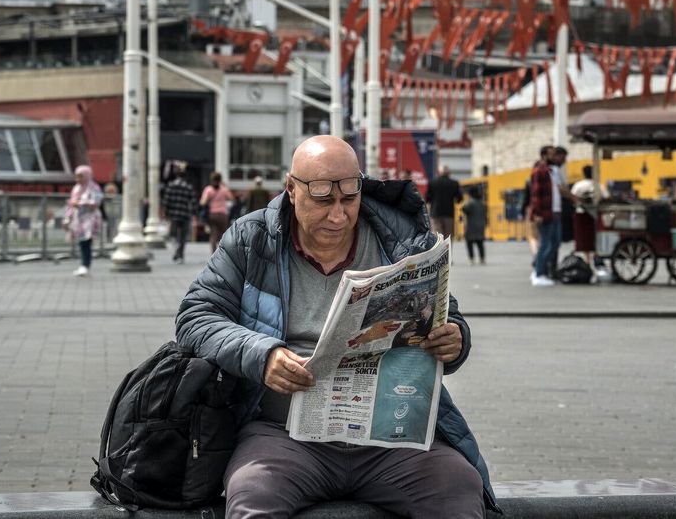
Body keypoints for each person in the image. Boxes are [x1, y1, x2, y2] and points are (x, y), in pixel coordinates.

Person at [175, 135, 495, 518]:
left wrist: (454, 340)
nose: (339, 216)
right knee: (253, 492)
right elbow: (196, 316)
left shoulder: (403, 239)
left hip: (392, 439)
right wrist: (262, 355)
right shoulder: (251, 240)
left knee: (457, 484)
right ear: (291, 190)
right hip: (284, 436)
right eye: (323, 201)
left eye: (349, 199)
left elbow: (446, 316)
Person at [528, 145, 562, 286]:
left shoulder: (551, 171)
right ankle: (539, 273)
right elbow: (536, 195)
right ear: (544, 155)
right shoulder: (539, 171)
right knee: (545, 244)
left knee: (554, 243)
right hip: (545, 213)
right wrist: (537, 213)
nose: (554, 157)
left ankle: (538, 266)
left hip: (554, 211)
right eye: (552, 154)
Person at [570, 165, 608, 281]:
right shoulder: (598, 185)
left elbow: (572, 198)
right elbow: (606, 197)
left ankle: (587, 261)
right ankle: (597, 259)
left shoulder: (578, 185)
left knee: (584, 240)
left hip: (580, 215)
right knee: (595, 238)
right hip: (595, 216)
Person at [65, 165, 103, 277]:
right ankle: (83, 265)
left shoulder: (94, 187)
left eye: (80, 176)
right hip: (79, 219)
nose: (78, 179)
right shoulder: (76, 188)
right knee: (81, 242)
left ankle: (85, 265)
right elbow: (71, 203)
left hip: (90, 219)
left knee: (86, 242)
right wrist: (67, 218)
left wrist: (81, 203)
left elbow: (95, 203)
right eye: (77, 177)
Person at [160, 162, 197, 263]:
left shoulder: (171, 186)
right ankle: (180, 254)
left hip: (174, 215)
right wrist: (194, 213)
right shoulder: (188, 187)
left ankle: (176, 251)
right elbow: (193, 202)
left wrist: (165, 213)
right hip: (185, 214)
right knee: (183, 236)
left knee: (174, 235)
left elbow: (166, 201)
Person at [424, 165, 462, 238]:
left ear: (439, 172)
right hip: (449, 214)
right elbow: (459, 198)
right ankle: (447, 249)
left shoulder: (433, 182)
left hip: (435, 213)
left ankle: (439, 249)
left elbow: (427, 198)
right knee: (448, 236)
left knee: (437, 236)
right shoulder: (454, 183)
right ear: (449, 173)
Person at [199, 172, 233, 251]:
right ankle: (224, 252)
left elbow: (202, 202)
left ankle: (214, 254)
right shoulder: (224, 189)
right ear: (220, 180)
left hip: (212, 214)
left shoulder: (208, 189)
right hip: (223, 214)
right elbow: (231, 198)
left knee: (213, 235)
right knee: (223, 234)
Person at [460, 186, 487, 264]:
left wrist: (463, 205)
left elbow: (465, 209)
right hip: (481, 225)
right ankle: (482, 258)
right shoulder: (482, 202)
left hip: (471, 226)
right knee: (480, 243)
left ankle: (471, 258)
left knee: (469, 242)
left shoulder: (470, 202)